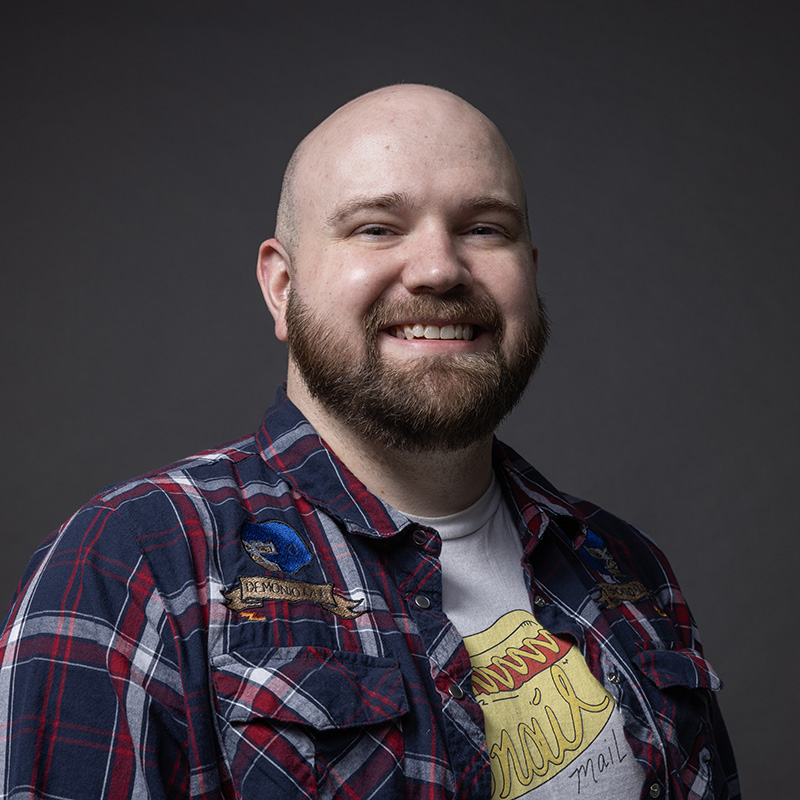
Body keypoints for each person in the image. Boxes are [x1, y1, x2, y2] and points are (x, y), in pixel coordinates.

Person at [0, 84, 738, 799]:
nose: (440, 269)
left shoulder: (629, 567)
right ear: (282, 286)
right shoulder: (134, 563)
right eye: (378, 227)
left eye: (485, 228)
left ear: (530, 273)